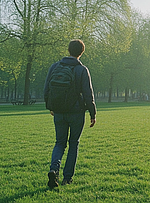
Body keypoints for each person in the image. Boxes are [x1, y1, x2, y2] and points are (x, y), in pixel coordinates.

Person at [44, 39, 96, 188]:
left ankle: (54, 169)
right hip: (76, 113)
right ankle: (67, 178)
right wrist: (93, 113)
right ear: (81, 52)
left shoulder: (55, 67)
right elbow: (88, 94)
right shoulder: (82, 70)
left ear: (68, 50)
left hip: (59, 112)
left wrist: (51, 107)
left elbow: (46, 89)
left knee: (59, 143)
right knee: (73, 144)